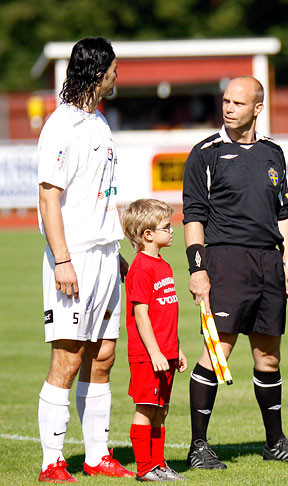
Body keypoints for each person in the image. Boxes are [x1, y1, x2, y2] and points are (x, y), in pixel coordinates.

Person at [183, 76, 288, 467]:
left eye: (238, 103)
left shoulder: (273, 152)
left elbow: (283, 212)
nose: (228, 108)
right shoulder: (205, 153)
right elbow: (193, 216)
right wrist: (197, 269)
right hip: (227, 262)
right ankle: (198, 446)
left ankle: (274, 443)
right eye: (225, 101)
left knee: (268, 358)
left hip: (269, 264)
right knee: (217, 352)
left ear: (258, 108)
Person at [36, 37, 134, 482]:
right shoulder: (61, 126)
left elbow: (103, 196)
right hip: (72, 257)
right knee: (68, 359)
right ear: (99, 72)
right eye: (113, 68)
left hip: (104, 255)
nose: (117, 75)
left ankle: (96, 456)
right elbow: (48, 197)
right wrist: (61, 260)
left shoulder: (98, 121)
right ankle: (51, 462)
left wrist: (116, 252)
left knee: (104, 357)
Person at [122, 199, 188, 480]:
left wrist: (177, 348)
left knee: (161, 409)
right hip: (149, 355)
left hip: (166, 351)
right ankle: (144, 468)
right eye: (166, 227)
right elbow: (141, 315)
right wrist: (155, 353)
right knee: (146, 409)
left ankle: (159, 464)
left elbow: (166, 317)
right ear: (148, 234)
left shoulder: (164, 266)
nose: (172, 231)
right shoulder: (141, 268)